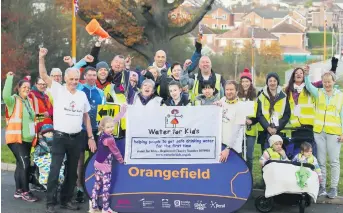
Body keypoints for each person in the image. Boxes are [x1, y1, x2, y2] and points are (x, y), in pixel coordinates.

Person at [39, 48, 97, 213]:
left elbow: (86, 117)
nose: (74, 81)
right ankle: (51, 202)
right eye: (71, 79)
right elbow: (43, 75)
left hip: (77, 137)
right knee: (55, 170)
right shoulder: (58, 89)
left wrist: (91, 136)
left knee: (72, 172)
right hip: (60, 137)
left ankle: (66, 200)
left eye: (76, 79)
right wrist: (41, 57)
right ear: (65, 78)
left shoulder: (81, 95)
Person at [304, 68, 343, 199]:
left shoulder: (340, 96)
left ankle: (333, 188)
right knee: (320, 160)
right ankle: (322, 187)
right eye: (324, 82)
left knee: (334, 161)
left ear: (334, 81)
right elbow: (308, 86)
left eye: (329, 82)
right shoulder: (319, 93)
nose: (327, 84)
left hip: (334, 133)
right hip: (319, 132)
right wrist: (307, 75)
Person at [3, 72, 38, 202]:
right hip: (16, 139)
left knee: (20, 165)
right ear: (18, 88)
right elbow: (5, 95)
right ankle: (26, 192)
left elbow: (31, 119)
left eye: (28, 88)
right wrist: (9, 78)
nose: (26, 90)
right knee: (25, 165)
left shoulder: (28, 101)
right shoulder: (13, 100)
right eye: (24, 87)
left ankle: (18, 190)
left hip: (27, 140)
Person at [75, 66, 105, 203]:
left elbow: (103, 113)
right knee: (80, 161)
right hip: (81, 130)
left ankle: (92, 187)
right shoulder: (80, 90)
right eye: (90, 75)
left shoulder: (101, 92)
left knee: (94, 161)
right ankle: (79, 188)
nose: (93, 77)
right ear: (85, 76)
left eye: (94, 75)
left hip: (95, 130)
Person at [90, 113, 126, 213]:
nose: (111, 129)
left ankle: (94, 205)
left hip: (97, 163)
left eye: (112, 127)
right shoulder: (109, 139)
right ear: (103, 127)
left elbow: (113, 121)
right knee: (106, 188)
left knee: (96, 185)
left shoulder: (101, 134)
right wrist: (121, 160)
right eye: (108, 127)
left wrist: (122, 112)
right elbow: (115, 151)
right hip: (105, 166)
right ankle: (106, 209)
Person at [284, 67, 316, 155]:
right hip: (296, 127)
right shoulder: (288, 90)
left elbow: (324, 83)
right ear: (293, 76)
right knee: (297, 154)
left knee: (310, 154)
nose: (298, 74)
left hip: (309, 127)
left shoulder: (310, 88)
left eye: (301, 73)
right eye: (296, 73)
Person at [256, 72, 291, 152]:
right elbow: (259, 114)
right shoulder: (261, 96)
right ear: (267, 83)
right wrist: (268, 127)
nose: (272, 83)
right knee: (266, 156)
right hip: (265, 131)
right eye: (270, 81)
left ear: (277, 82)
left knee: (278, 156)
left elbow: (287, 114)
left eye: (274, 81)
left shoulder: (284, 96)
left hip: (279, 130)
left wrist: (276, 128)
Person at [217, 81, 244, 162]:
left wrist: (228, 149)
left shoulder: (241, 106)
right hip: (221, 147)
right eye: (227, 90)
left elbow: (236, 131)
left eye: (231, 90)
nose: (229, 92)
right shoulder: (222, 100)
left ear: (236, 91)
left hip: (233, 149)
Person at [33, 124, 65, 190]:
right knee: (45, 169)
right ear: (42, 135)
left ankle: (59, 179)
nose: (50, 134)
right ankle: (44, 181)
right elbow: (37, 154)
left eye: (51, 133)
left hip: (54, 158)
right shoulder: (41, 144)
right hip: (44, 159)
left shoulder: (57, 143)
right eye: (47, 133)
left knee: (60, 168)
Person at [237, 68, 257, 172]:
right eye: (243, 81)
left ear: (250, 82)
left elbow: (258, 113)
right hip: (239, 129)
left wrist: (252, 121)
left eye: (247, 81)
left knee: (249, 155)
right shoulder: (237, 96)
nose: (245, 84)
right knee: (239, 154)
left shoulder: (255, 97)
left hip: (251, 130)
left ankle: (249, 175)